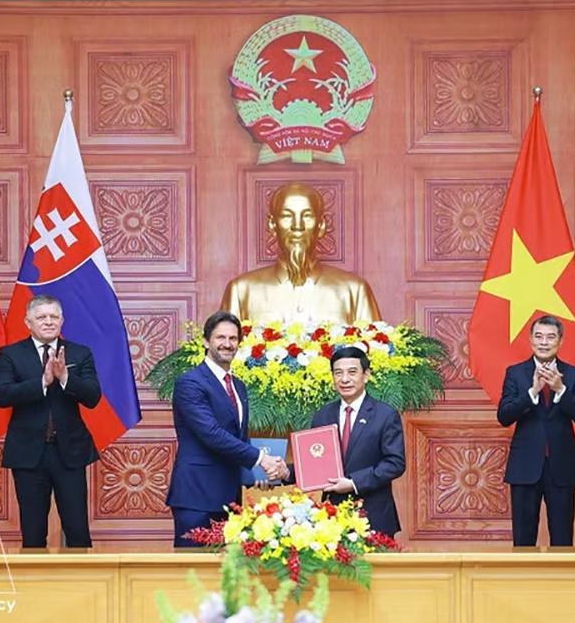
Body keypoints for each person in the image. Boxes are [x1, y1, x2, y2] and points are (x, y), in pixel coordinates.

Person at [166, 311, 287, 546]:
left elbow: (238, 438)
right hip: (197, 496)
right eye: (220, 337)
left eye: (233, 339)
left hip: (231, 497)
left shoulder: (238, 386)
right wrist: (262, 460)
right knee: (192, 566)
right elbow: (212, 434)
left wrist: (257, 475)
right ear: (206, 341)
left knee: (229, 567)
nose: (227, 344)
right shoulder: (190, 382)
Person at [0, 294, 101, 548]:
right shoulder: (10, 354)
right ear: (28, 322)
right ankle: (33, 575)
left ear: (62, 321)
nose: (49, 322)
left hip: (70, 453)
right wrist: (42, 382)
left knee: (78, 531)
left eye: (54, 317)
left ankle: (83, 575)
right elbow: (2, 395)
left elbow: (93, 397)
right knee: (32, 534)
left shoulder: (79, 353)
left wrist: (65, 378)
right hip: (28, 454)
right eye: (42, 317)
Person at [279, 345, 405, 536]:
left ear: (366, 375)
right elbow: (315, 462)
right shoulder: (323, 415)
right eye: (338, 373)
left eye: (352, 372)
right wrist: (285, 472)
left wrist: (353, 483)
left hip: (373, 516)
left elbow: (395, 463)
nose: (344, 379)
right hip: (332, 518)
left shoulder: (385, 415)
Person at [220, 182, 381, 324]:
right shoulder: (241, 291)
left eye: (307, 216)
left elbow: (374, 346)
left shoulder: (354, 290)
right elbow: (224, 345)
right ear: (272, 225)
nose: (298, 226)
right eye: (287, 216)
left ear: (321, 225)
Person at [497, 315, 575, 547]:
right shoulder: (515, 373)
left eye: (550, 337)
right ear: (530, 340)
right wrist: (532, 392)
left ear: (560, 341)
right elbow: (504, 416)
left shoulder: (573, 373)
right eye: (539, 336)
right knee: (523, 540)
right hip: (525, 466)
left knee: (562, 539)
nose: (544, 342)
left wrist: (561, 390)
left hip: (562, 466)